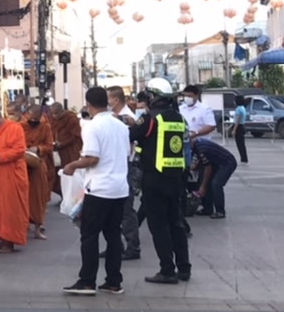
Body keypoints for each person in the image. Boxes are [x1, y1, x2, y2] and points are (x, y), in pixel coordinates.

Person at [61, 86, 130, 296]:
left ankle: (87, 281)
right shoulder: (120, 125)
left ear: (89, 105)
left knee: (89, 235)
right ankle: (113, 280)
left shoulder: (92, 126)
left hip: (100, 188)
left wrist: (72, 165)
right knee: (113, 235)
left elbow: (92, 158)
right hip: (119, 188)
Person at [133, 89, 192, 285]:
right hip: (176, 178)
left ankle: (167, 270)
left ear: (153, 98)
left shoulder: (150, 118)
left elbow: (133, 134)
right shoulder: (179, 118)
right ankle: (184, 268)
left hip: (154, 177)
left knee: (159, 226)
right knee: (177, 223)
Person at [0, 106, 31, 254]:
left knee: (9, 208)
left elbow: (19, 150)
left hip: (11, 174)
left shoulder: (14, 128)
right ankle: (1, 238)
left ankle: (9, 241)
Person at [107, 86, 142, 261]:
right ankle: (115, 245)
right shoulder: (113, 117)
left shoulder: (129, 119)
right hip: (115, 166)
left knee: (126, 208)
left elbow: (130, 144)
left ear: (116, 100)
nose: (107, 102)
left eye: (108, 98)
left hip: (127, 165)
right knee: (113, 208)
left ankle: (133, 246)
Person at [22, 105, 54, 241]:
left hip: (38, 165)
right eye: (31, 117)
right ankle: (22, 226)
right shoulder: (19, 127)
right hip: (22, 164)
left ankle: (37, 228)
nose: (33, 120)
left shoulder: (45, 128)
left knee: (38, 197)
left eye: (36, 118)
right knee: (22, 197)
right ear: (27, 114)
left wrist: (38, 148)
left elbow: (49, 145)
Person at [192, 137, 237, 219]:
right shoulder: (197, 144)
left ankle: (220, 211)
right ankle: (208, 208)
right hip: (216, 163)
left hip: (227, 163)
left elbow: (208, 168)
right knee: (207, 182)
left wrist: (203, 187)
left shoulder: (202, 150)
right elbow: (195, 162)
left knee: (216, 184)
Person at [48, 102, 84, 185]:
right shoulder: (50, 118)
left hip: (69, 149)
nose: (54, 116)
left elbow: (75, 135)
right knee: (56, 171)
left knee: (69, 170)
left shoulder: (71, 118)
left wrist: (63, 143)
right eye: (53, 114)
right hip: (56, 149)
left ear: (62, 111)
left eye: (56, 114)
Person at [231, 98, 249, 164]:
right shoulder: (243, 108)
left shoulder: (238, 109)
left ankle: (243, 158)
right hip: (242, 126)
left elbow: (237, 120)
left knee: (239, 144)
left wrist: (234, 130)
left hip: (239, 127)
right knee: (242, 144)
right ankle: (244, 158)